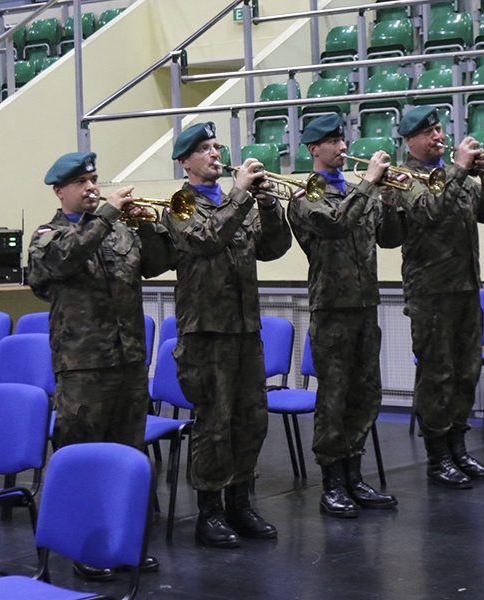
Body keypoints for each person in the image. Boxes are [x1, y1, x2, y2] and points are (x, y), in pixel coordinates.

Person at [28, 151, 175, 581]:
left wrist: (146, 224)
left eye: (94, 179)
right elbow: (63, 260)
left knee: (129, 454)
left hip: (129, 362)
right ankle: (84, 545)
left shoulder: (115, 231)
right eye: (82, 182)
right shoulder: (48, 235)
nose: (92, 187)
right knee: (83, 455)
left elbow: (158, 263)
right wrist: (108, 212)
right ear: (61, 191)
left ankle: (125, 540)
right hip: (82, 367)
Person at [164, 122, 292, 548]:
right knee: (213, 425)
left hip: (244, 328)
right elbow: (204, 240)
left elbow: (273, 249)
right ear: (185, 162)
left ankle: (240, 502)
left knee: (250, 420)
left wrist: (269, 205)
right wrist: (239, 195)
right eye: (204, 149)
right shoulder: (180, 204)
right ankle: (209, 511)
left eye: (217, 147)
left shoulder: (240, 203)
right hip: (205, 333)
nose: (215, 154)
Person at [287, 114, 404, 518]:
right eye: (332, 141)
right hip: (332, 309)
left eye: (342, 138)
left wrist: (388, 198)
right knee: (333, 397)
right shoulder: (305, 197)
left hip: (365, 306)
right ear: (313, 149)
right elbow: (336, 225)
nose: (342, 146)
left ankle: (355, 475)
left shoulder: (361, 192)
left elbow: (390, 239)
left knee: (365, 392)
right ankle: (332, 482)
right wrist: (370, 184)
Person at [392, 105, 484, 489]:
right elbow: (428, 211)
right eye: (429, 133)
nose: (439, 137)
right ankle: (437, 457)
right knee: (437, 375)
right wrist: (458, 168)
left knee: (465, 373)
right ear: (410, 141)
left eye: (440, 130)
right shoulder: (403, 177)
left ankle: (459, 448)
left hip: (465, 288)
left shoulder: (454, 177)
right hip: (431, 294)